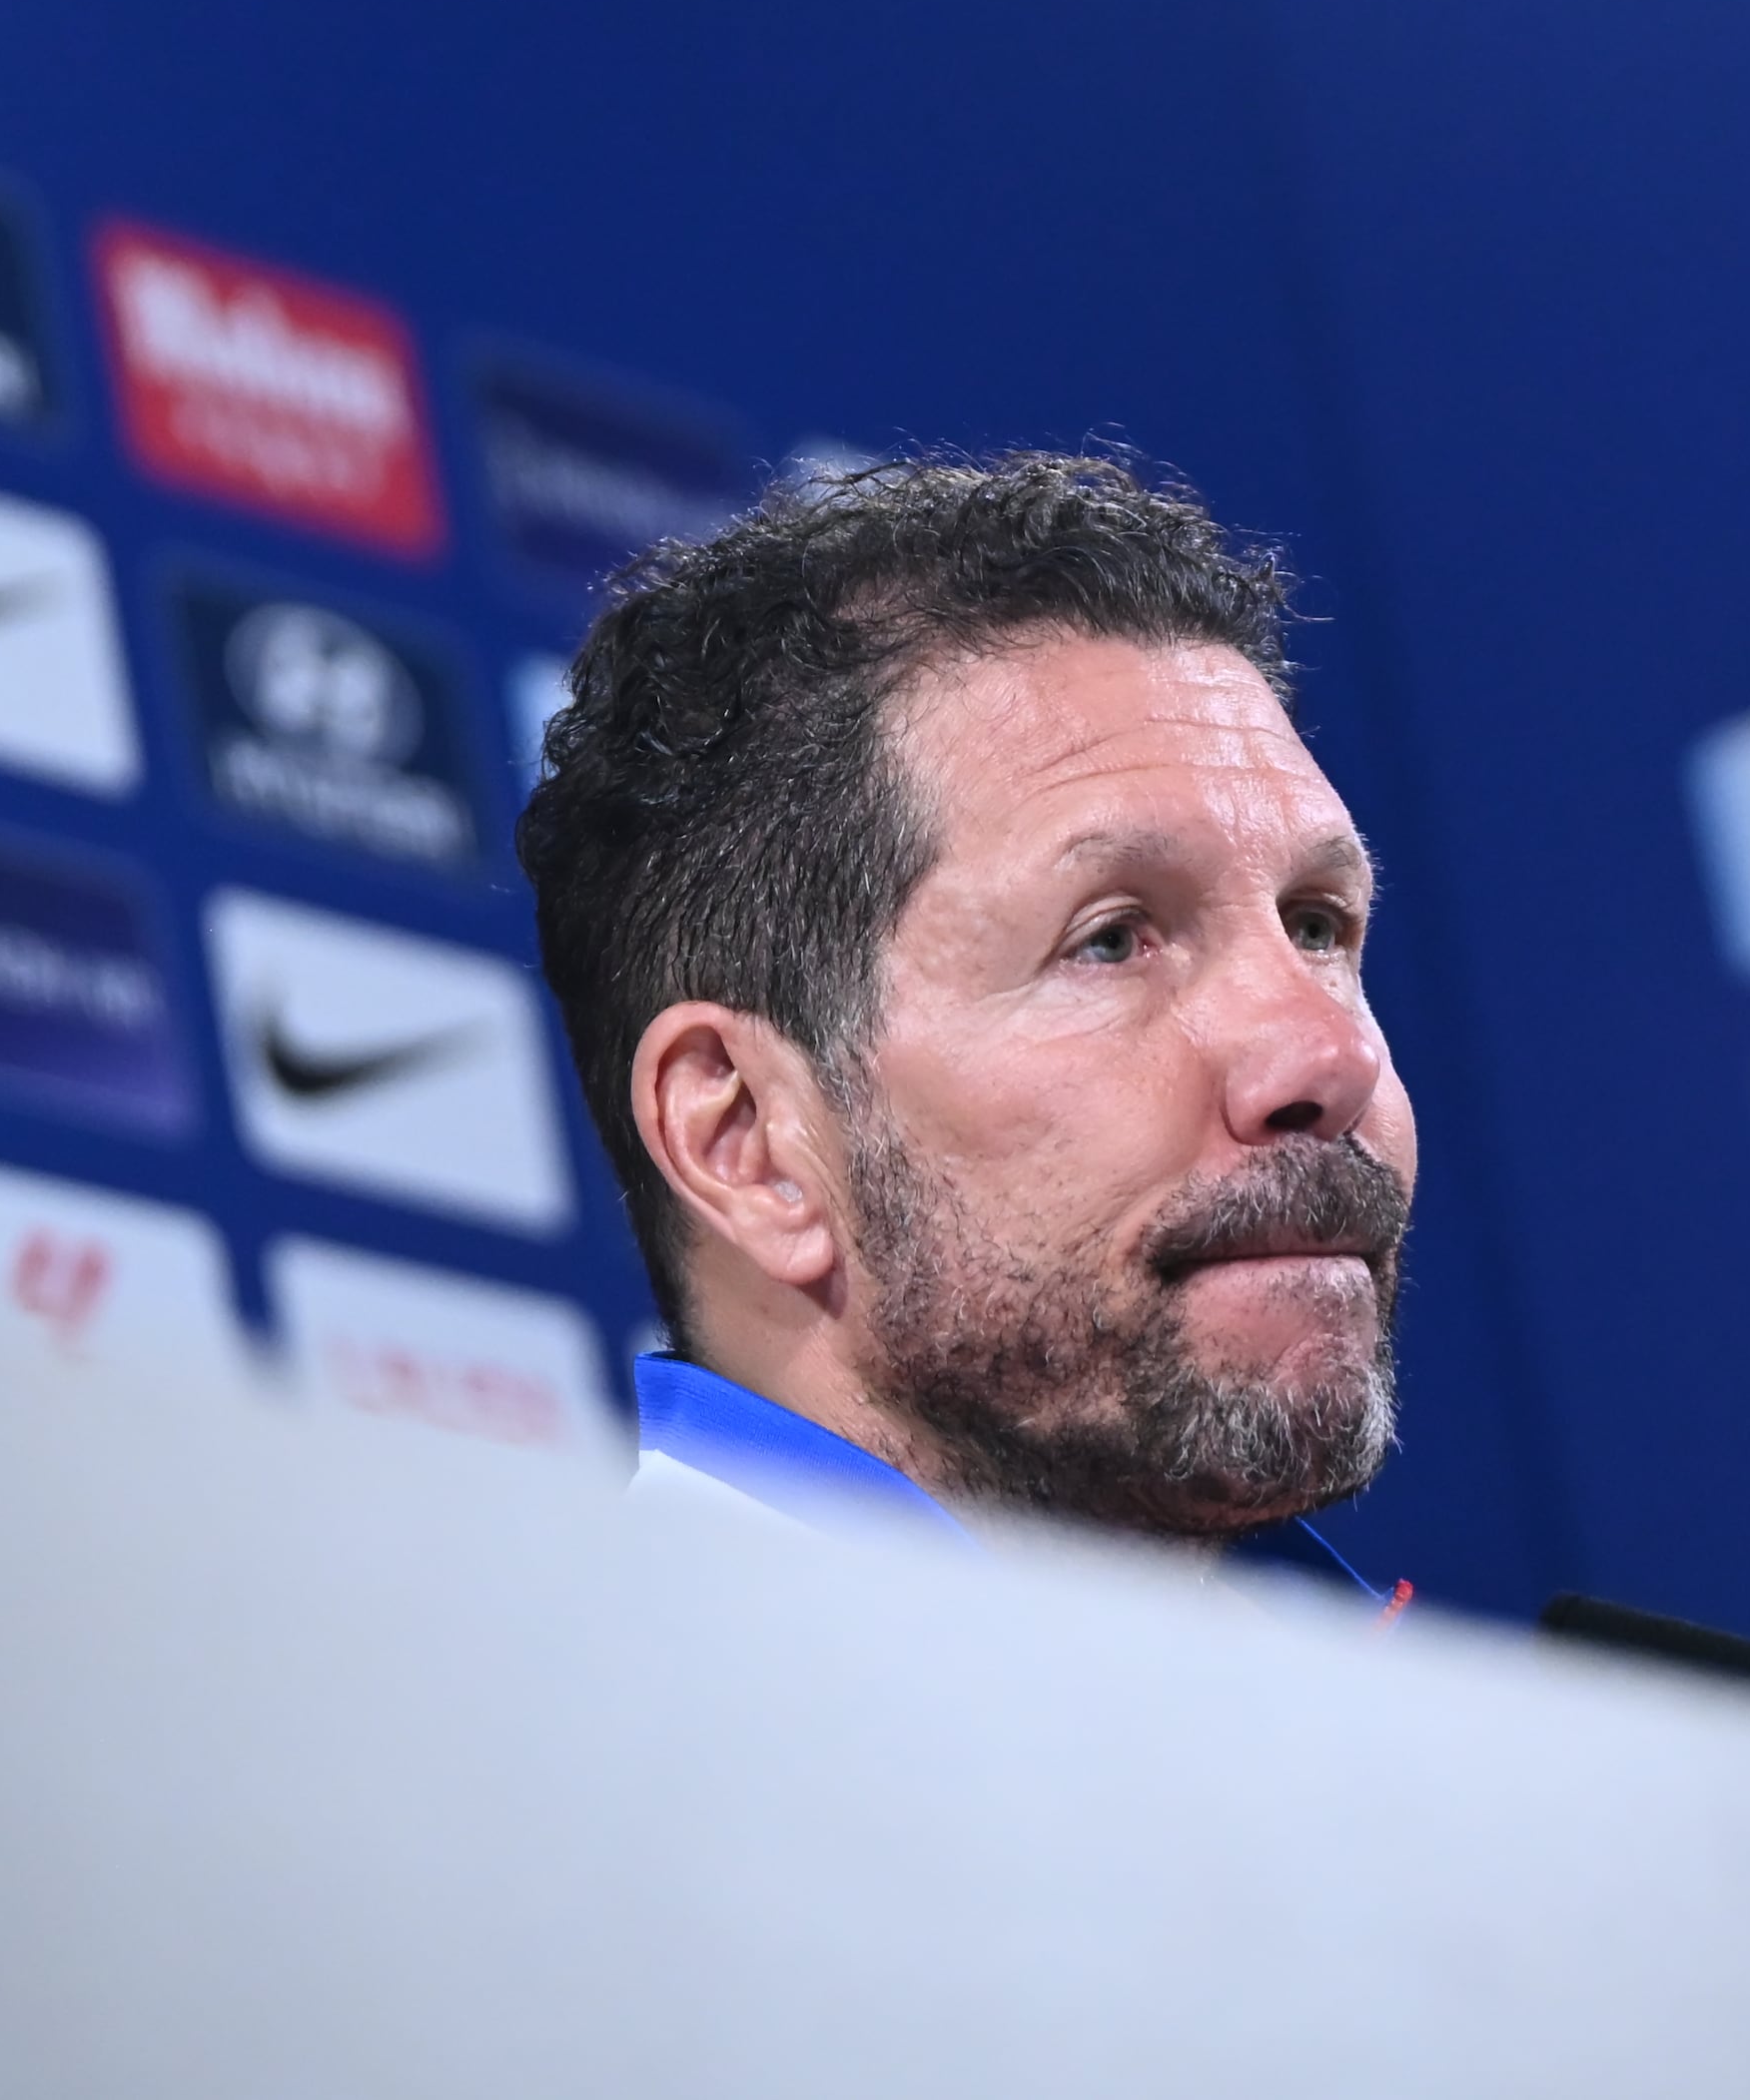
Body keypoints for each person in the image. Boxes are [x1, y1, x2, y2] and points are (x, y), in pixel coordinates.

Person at [513, 450, 1415, 1586]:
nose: (1331, 1055)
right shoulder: (565, 1751)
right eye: (1111, 939)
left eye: (1319, 927)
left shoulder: (1444, 1743)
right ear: (744, 1142)